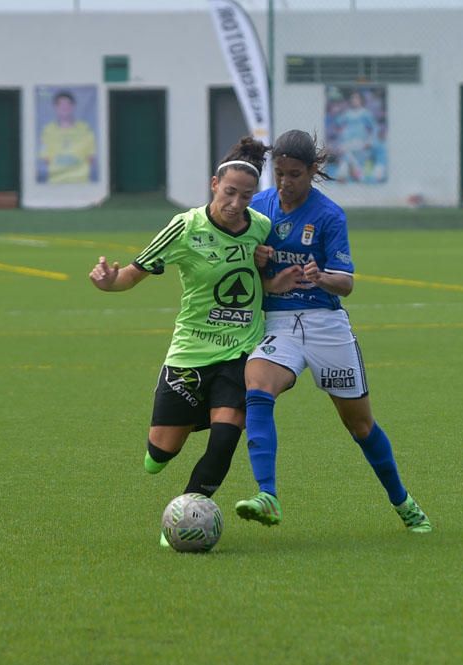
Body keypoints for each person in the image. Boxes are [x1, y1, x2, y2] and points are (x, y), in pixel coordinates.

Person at [233, 129, 432, 533]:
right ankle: (267, 494)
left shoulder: (328, 216)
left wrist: (320, 275)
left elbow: (347, 283)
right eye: (280, 173)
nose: (285, 183)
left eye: (294, 175)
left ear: (312, 172)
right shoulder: (260, 207)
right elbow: (238, 265)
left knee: (360, 426)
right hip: (280, 324)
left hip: (327, 326)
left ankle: (403, 501)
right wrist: (256, 261)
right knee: (256, 385)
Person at [89, 136, 271, 545]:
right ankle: (190, 422)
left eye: (246, 196)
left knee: (226, 439)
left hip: (240, 352)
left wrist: (267, 266)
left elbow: (264, 283)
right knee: (160, 454)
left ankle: (185, 517)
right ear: (213, 185)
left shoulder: (260, 228)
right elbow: (131, 274)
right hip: (191, 351)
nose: (237, 203)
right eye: (229, 193)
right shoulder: (185, 227)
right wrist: (108, 282)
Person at [38, 90, 97, 184]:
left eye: (67, 104)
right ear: (55, 107)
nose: (64, 108)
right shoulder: (47, 131)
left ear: (73, 106)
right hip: (56, 184)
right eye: (61, 105)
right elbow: (46, 159)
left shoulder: (85, 129)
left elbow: (91, 157)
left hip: (81, 183)